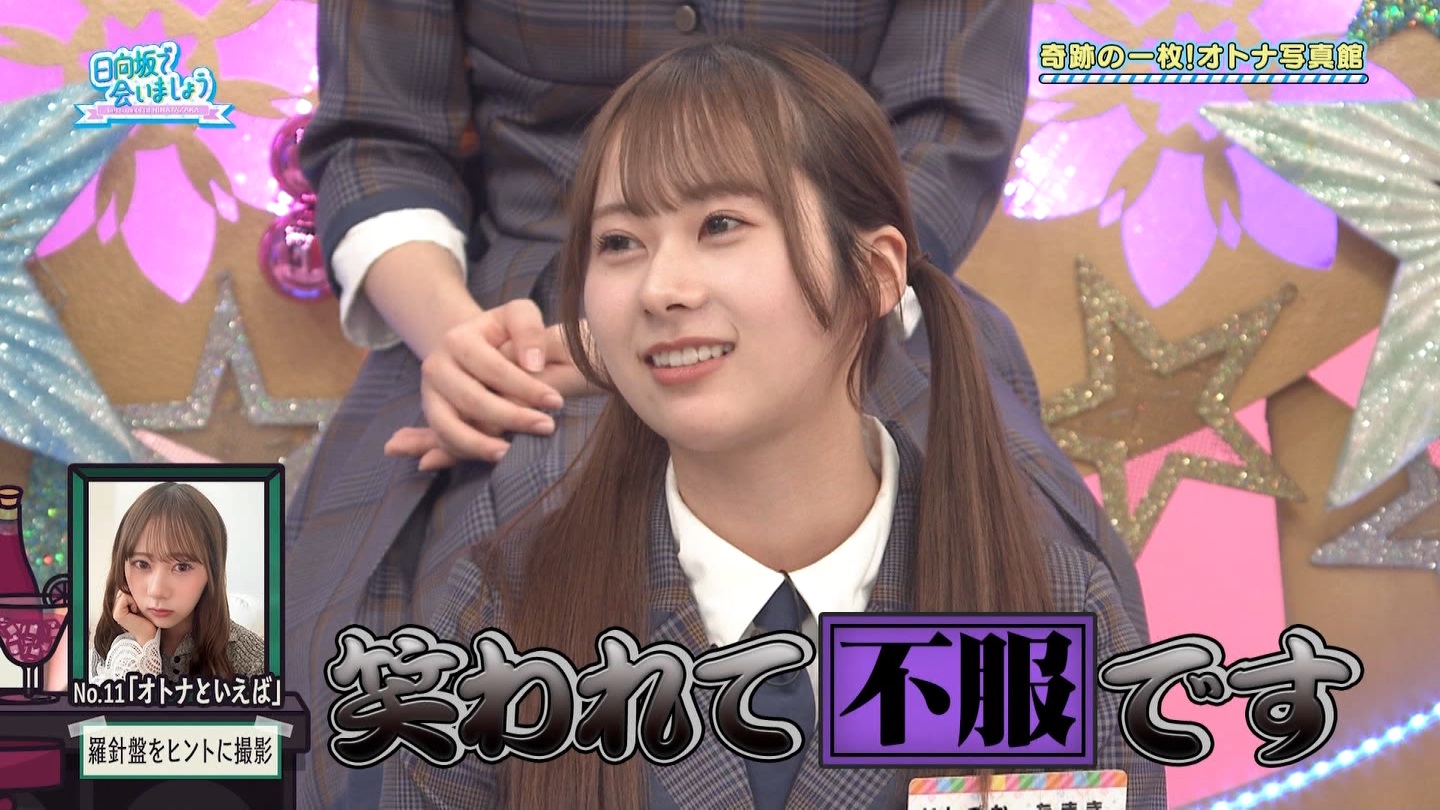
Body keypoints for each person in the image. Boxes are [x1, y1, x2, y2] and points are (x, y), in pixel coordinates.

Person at [291, 2, 1150, 808]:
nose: (666, 285)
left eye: (721, 225)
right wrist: (482, 349)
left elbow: (949, 121)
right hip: (497, 307)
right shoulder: (497, 596)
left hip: (851, 276)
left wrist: (708, 318)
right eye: (624, 242)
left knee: (1006, 564)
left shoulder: (1046, 597)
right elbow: (381, 134)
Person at [90, 482, 265, 682]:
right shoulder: (110, 645)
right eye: (142, 564)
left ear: (212, 572)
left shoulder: (254, 662)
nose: (157, 590)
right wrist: (143, 643)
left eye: (182, 567)